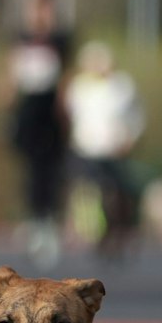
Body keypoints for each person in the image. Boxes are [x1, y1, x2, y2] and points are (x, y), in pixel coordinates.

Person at [0, 0, 71, 266]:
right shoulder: (20, 39)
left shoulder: (61, 40)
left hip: (50, 110)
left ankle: (48, 222)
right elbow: (9, 73)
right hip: (28, 109)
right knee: (30, 168)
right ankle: (34, 220)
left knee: (50, 169)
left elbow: (67, 76)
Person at [64, 41, 143, 260]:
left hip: (114, 151)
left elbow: (136, 116)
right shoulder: (79, 87)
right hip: (87, 149)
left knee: (116, 193)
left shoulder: (122, 87)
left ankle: (118, 232)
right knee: (88, 193)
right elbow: (73, 116)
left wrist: (131, 137)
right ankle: (90, 231)